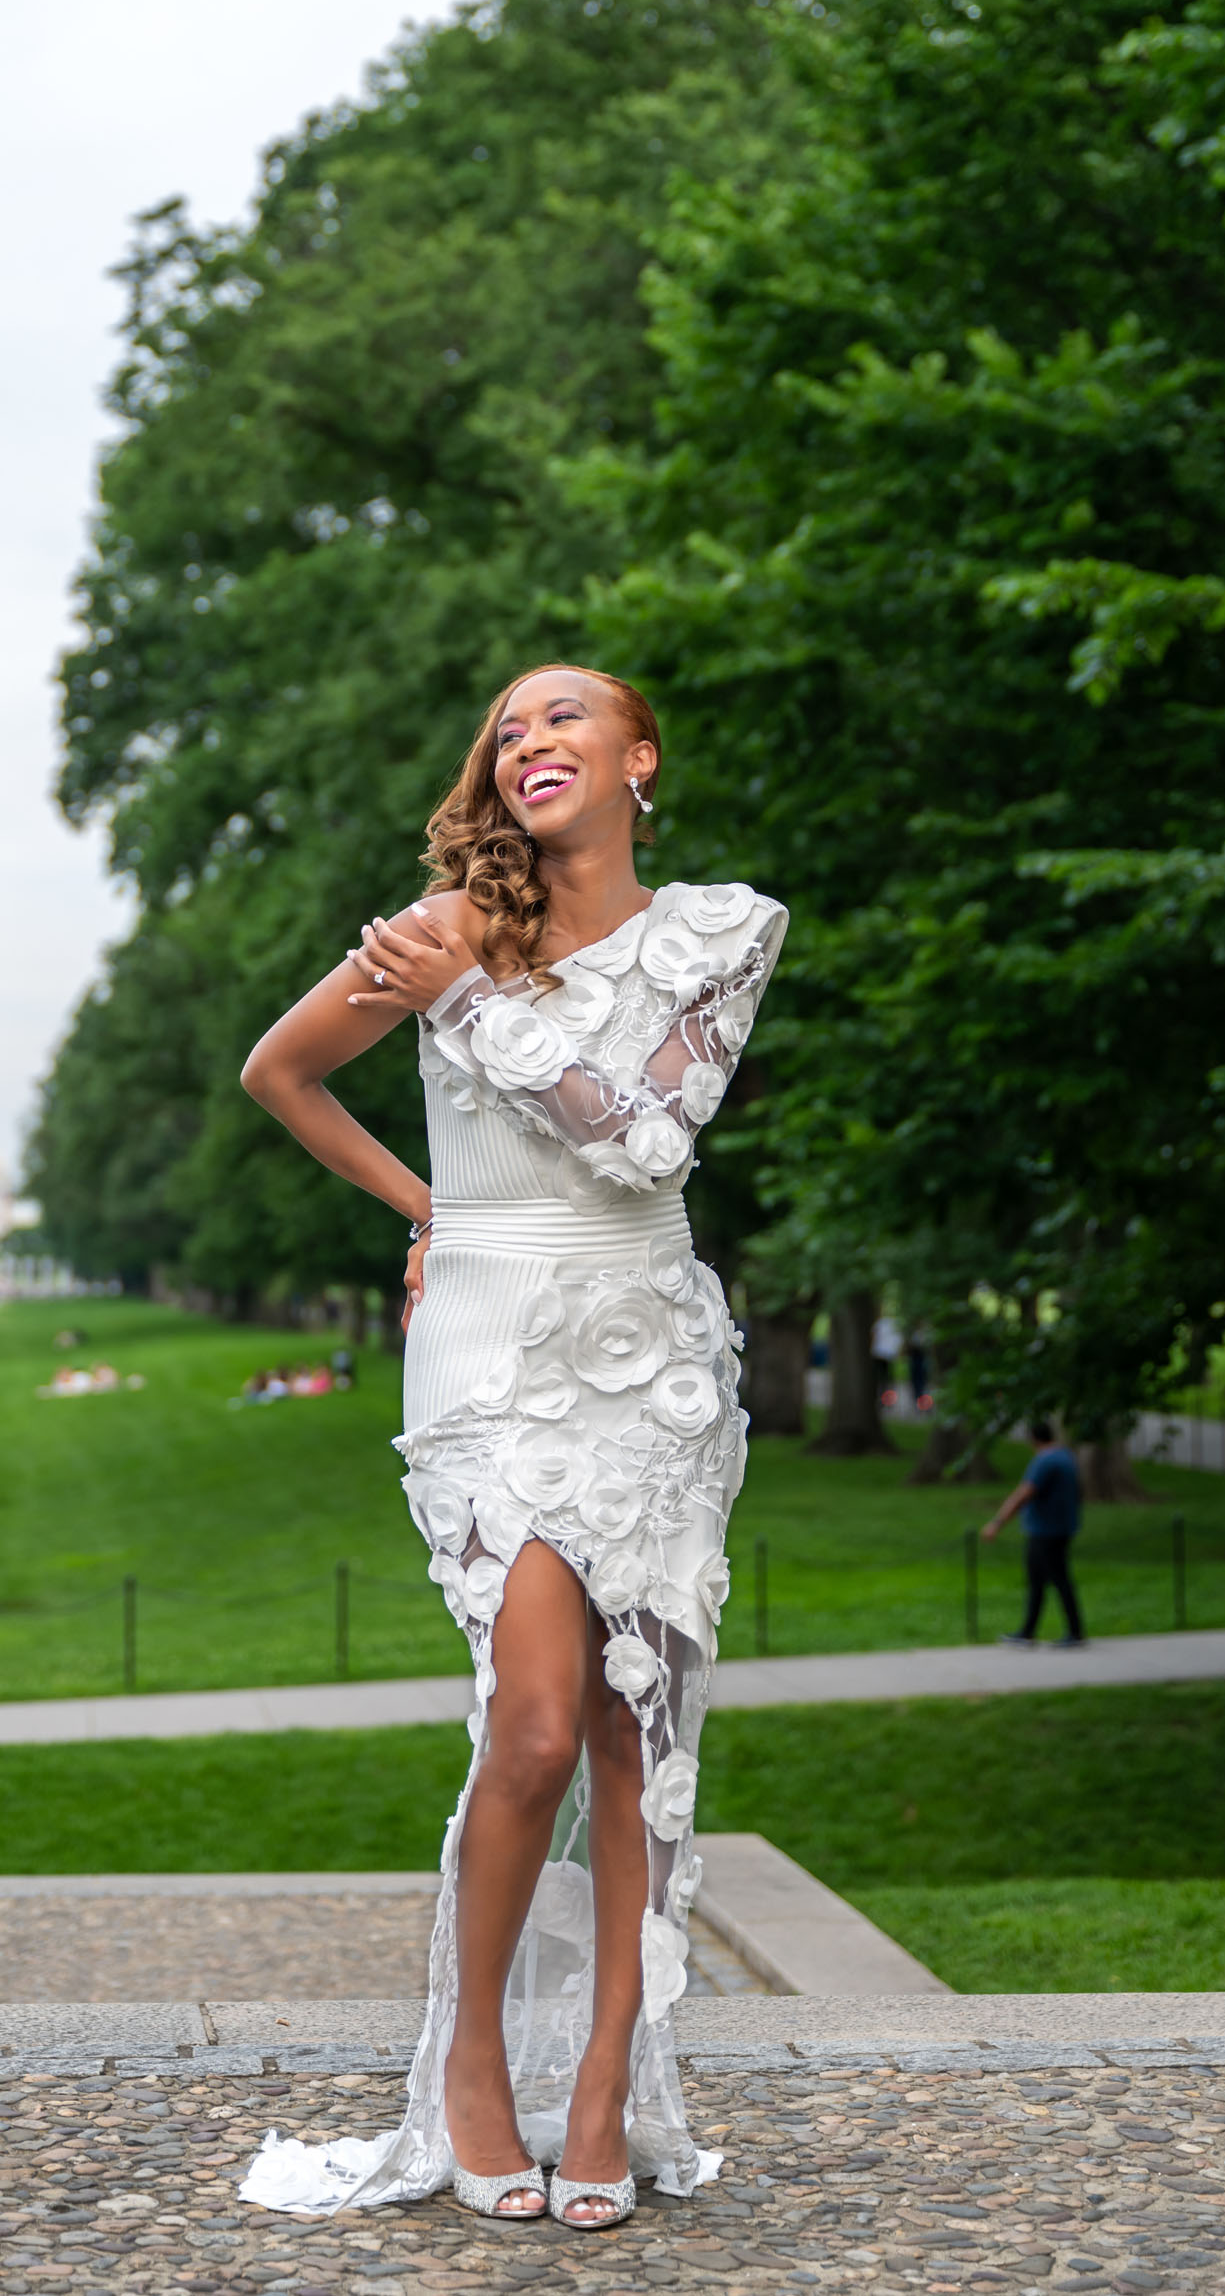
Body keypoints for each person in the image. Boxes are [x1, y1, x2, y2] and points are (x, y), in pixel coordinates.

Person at [235, 665, 786, 2229]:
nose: (528, 739)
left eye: (562, 717)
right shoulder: (444, 923)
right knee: (535, 1726)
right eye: (506, 727)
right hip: (484, 1345)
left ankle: (603, 2088)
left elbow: (648, 1139)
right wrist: (430, 1211)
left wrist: (456, 1002)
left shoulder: (721, 931)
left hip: (653, 1361)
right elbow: (279, 1072)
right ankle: (468, 2066)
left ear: (638, 759)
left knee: (637, 1749)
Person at [981, 1420, 1085, 1646]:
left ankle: (1075, 1632)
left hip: (1046, 1531)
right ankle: (1028, 1631)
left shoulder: (1044, 1461)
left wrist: (997, 1523)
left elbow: (1023, 1493)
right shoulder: (1066, 1457)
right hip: (1061, 1527)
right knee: (1038, 1580)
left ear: (1033, 1439)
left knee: (1058, 1580)